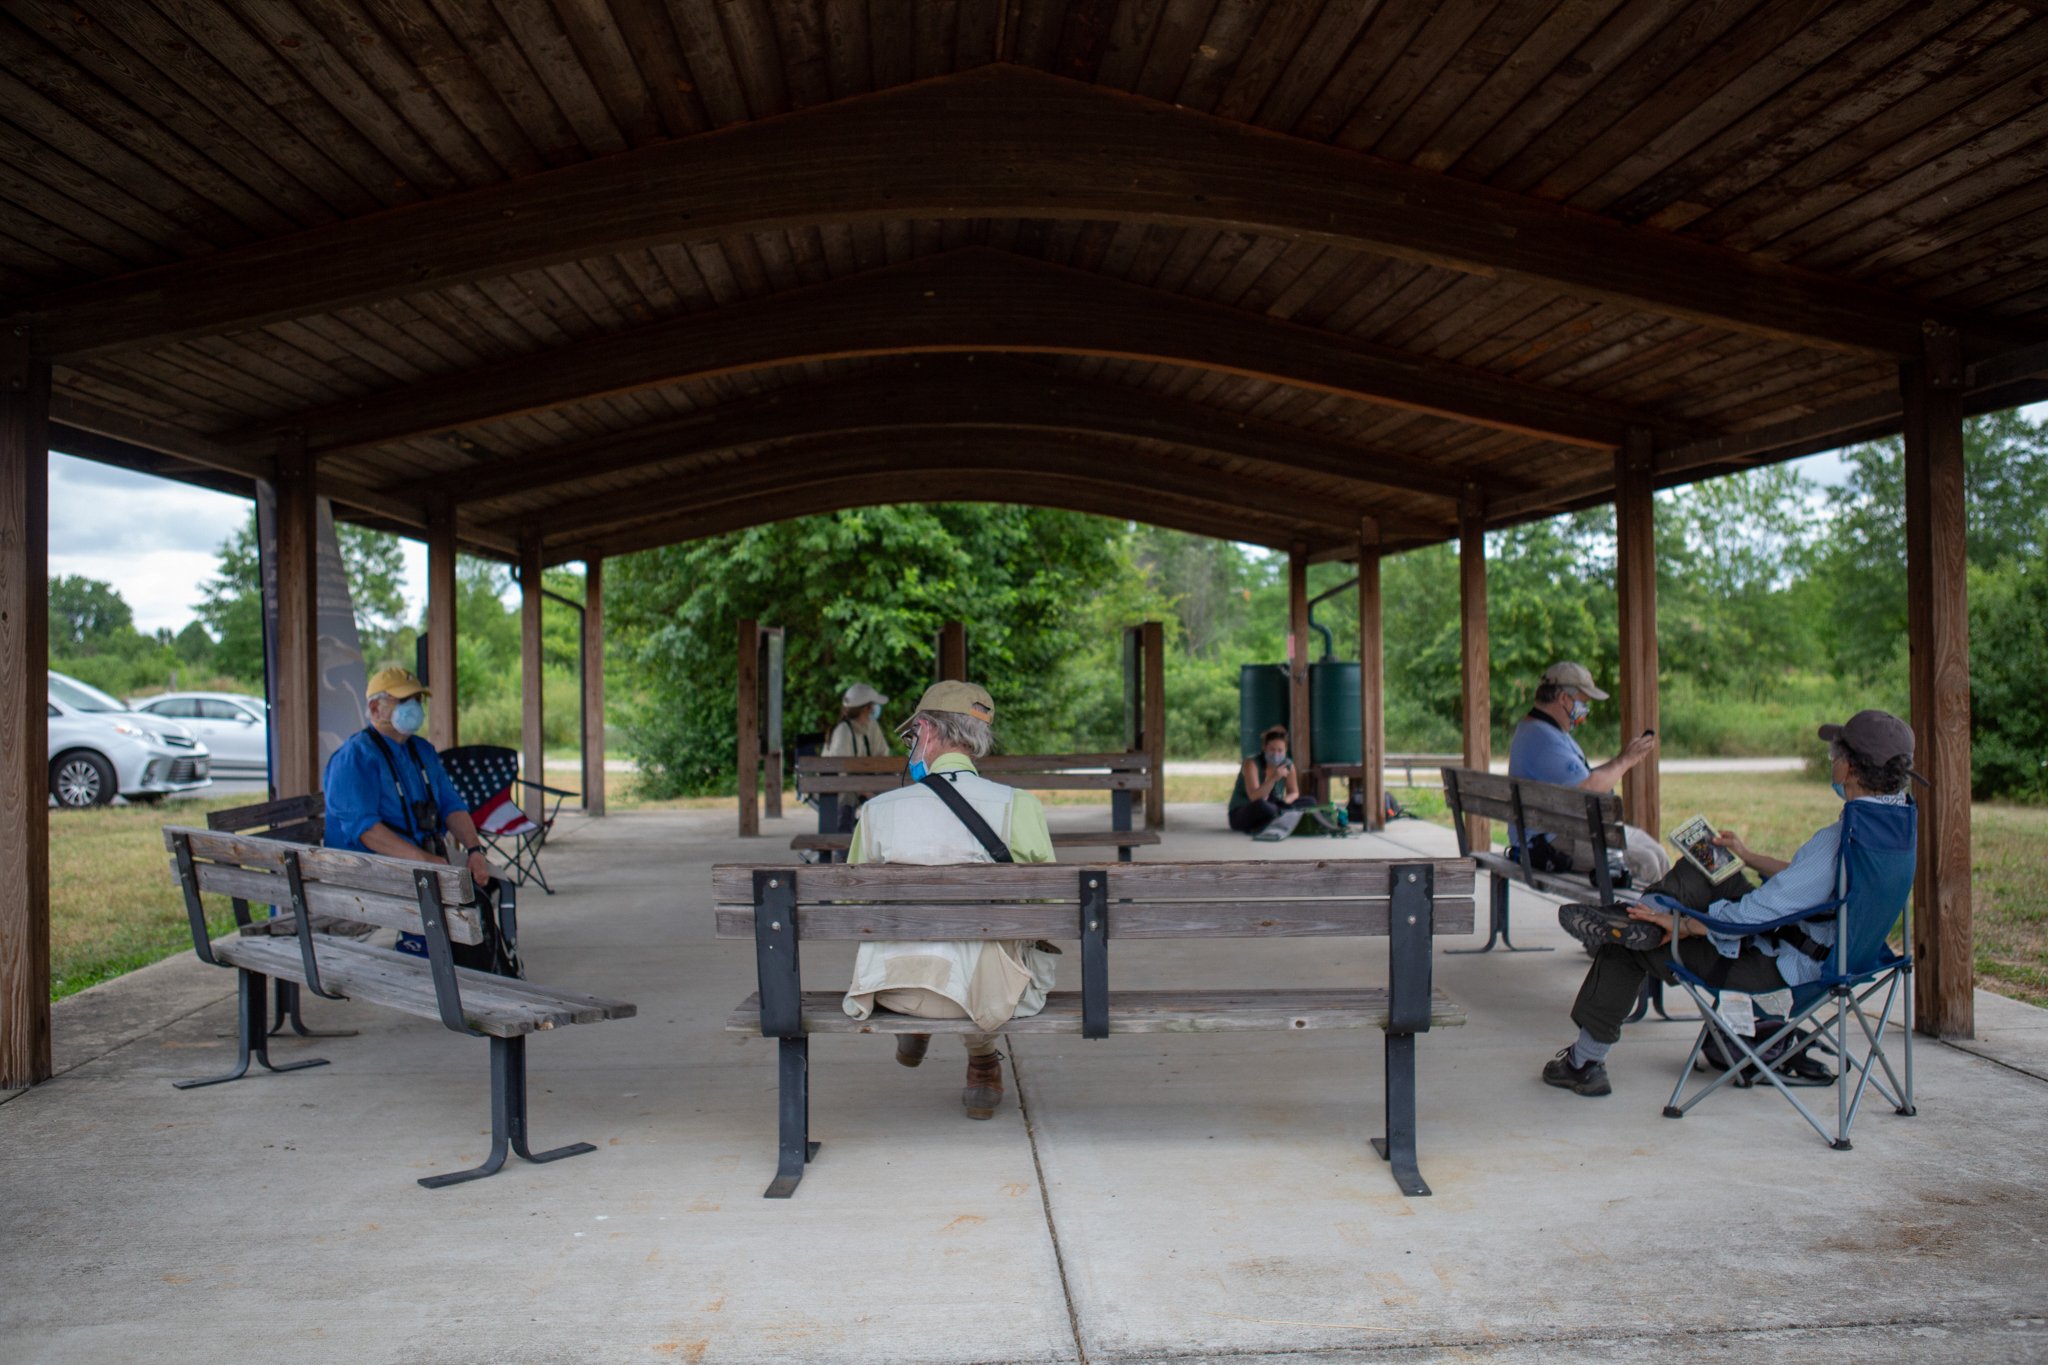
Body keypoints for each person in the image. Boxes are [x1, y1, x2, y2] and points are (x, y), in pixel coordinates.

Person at [1542, 709, 1918, 1098]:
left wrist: (1683, 926)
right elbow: (1822, 883)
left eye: (1835, 755)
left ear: (1852, 769)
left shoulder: (1837, 841)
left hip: (1776, 969)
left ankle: (1583, 1062)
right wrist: (1748, 856)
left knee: (1625, 948)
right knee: (1708, 870)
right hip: (1834, 958)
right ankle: (1647, 918)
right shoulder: (1890, 830)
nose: (1832, 763)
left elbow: (1755, 915)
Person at [841, 680, 1058, 1120]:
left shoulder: (879, 812)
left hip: (895, 990)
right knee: (997, 950)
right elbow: (1048, 909)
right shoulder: (1021, 806)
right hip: (991, 997)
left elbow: (853, 907)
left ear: (926, 730)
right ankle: (982, 1061)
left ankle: (920, 1024)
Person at [322, 666, 507, 970]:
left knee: (494, 882)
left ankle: (496, 967)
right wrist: (425, 860)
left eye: (418, 700)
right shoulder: (354, 757)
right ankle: (454, 977)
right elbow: (367, 831)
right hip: (369, 867)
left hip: (422, 857)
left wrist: (474, 850)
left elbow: (452, 806)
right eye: (403, 700)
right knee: (456, 894)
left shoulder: (421, 750)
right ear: (375, 707)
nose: (414, 708)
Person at [1506, 661, 1669, 886]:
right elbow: (1587, 788)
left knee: (1657, 852)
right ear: (1563, 698)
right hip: (1553, 841)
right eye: (1583, 702)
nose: (1585, 710)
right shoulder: (1542, 738)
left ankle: (1664, 917)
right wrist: (1626, 761)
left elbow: (1587, 779)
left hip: (1573, 829)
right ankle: (1644, 919)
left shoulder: (1548, 731)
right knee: (1647, 861)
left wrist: (1623, 759)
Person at [820, 682, 890, 834]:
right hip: (841, 791)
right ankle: (843, 852)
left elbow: (883, 756)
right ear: (866, 708)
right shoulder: (843, 731)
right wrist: (865, 792)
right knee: (847, 801)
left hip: (864, 787)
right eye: (873, 705)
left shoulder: (871, 726)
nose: (875, 709)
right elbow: (841, 775)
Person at [1228, 724, 1314, 835]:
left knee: (1310, 801)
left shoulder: (1288, 765)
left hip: (1274, 806)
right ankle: (1282, 817)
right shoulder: (1252, 763)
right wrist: (1274, 778)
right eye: (1272, 749)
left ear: (1285, 750)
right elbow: (1254, 797)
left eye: (1280, 750)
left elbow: (1294, 792)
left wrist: (1284, 803)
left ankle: (1278, 816)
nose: (1276, 754)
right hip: (1246, 810)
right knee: (1262, 806)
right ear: (1264, 748)